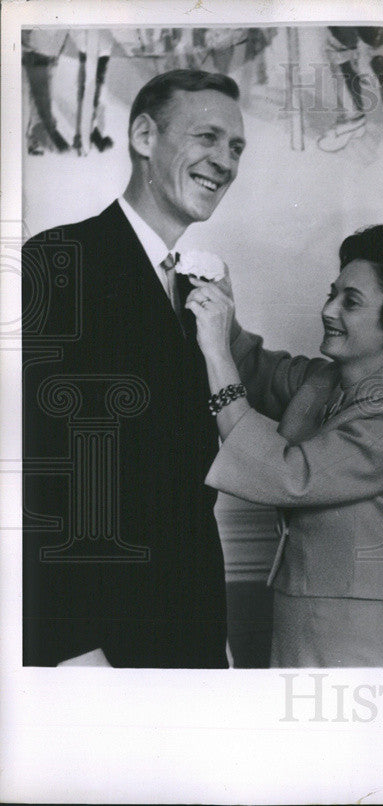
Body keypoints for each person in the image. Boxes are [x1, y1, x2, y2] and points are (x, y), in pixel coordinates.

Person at [21, 69, 245, 667]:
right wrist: (73, 646)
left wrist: (211, 632)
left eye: (236, 148)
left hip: (190, 626)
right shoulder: (58, 262)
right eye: (207, 138)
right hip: (98, 647)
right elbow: (40, 471)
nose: (224, 161)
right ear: (144, 135)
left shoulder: (196, 289)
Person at [186, 225, 383, 667]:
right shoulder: (324, 380)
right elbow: (253, 368)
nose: (328, 309)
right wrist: (225, 312)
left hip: (364, 637)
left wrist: (215, 352)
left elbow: (287, 475)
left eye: (351, 301)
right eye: (333, 293)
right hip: (299, 616)